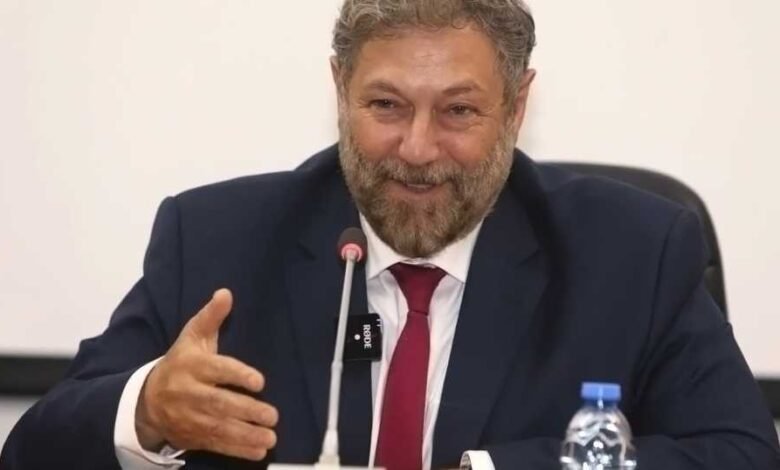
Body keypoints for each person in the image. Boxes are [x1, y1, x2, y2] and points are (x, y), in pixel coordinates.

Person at [2, 0, 779, 469]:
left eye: (459, 111)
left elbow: (741, 454)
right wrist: (145, 411)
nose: (416, 148)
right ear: (340, 90)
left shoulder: (634, 254)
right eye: (385, 106)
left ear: (516, 108)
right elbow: (33, 451)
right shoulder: (216, 239)